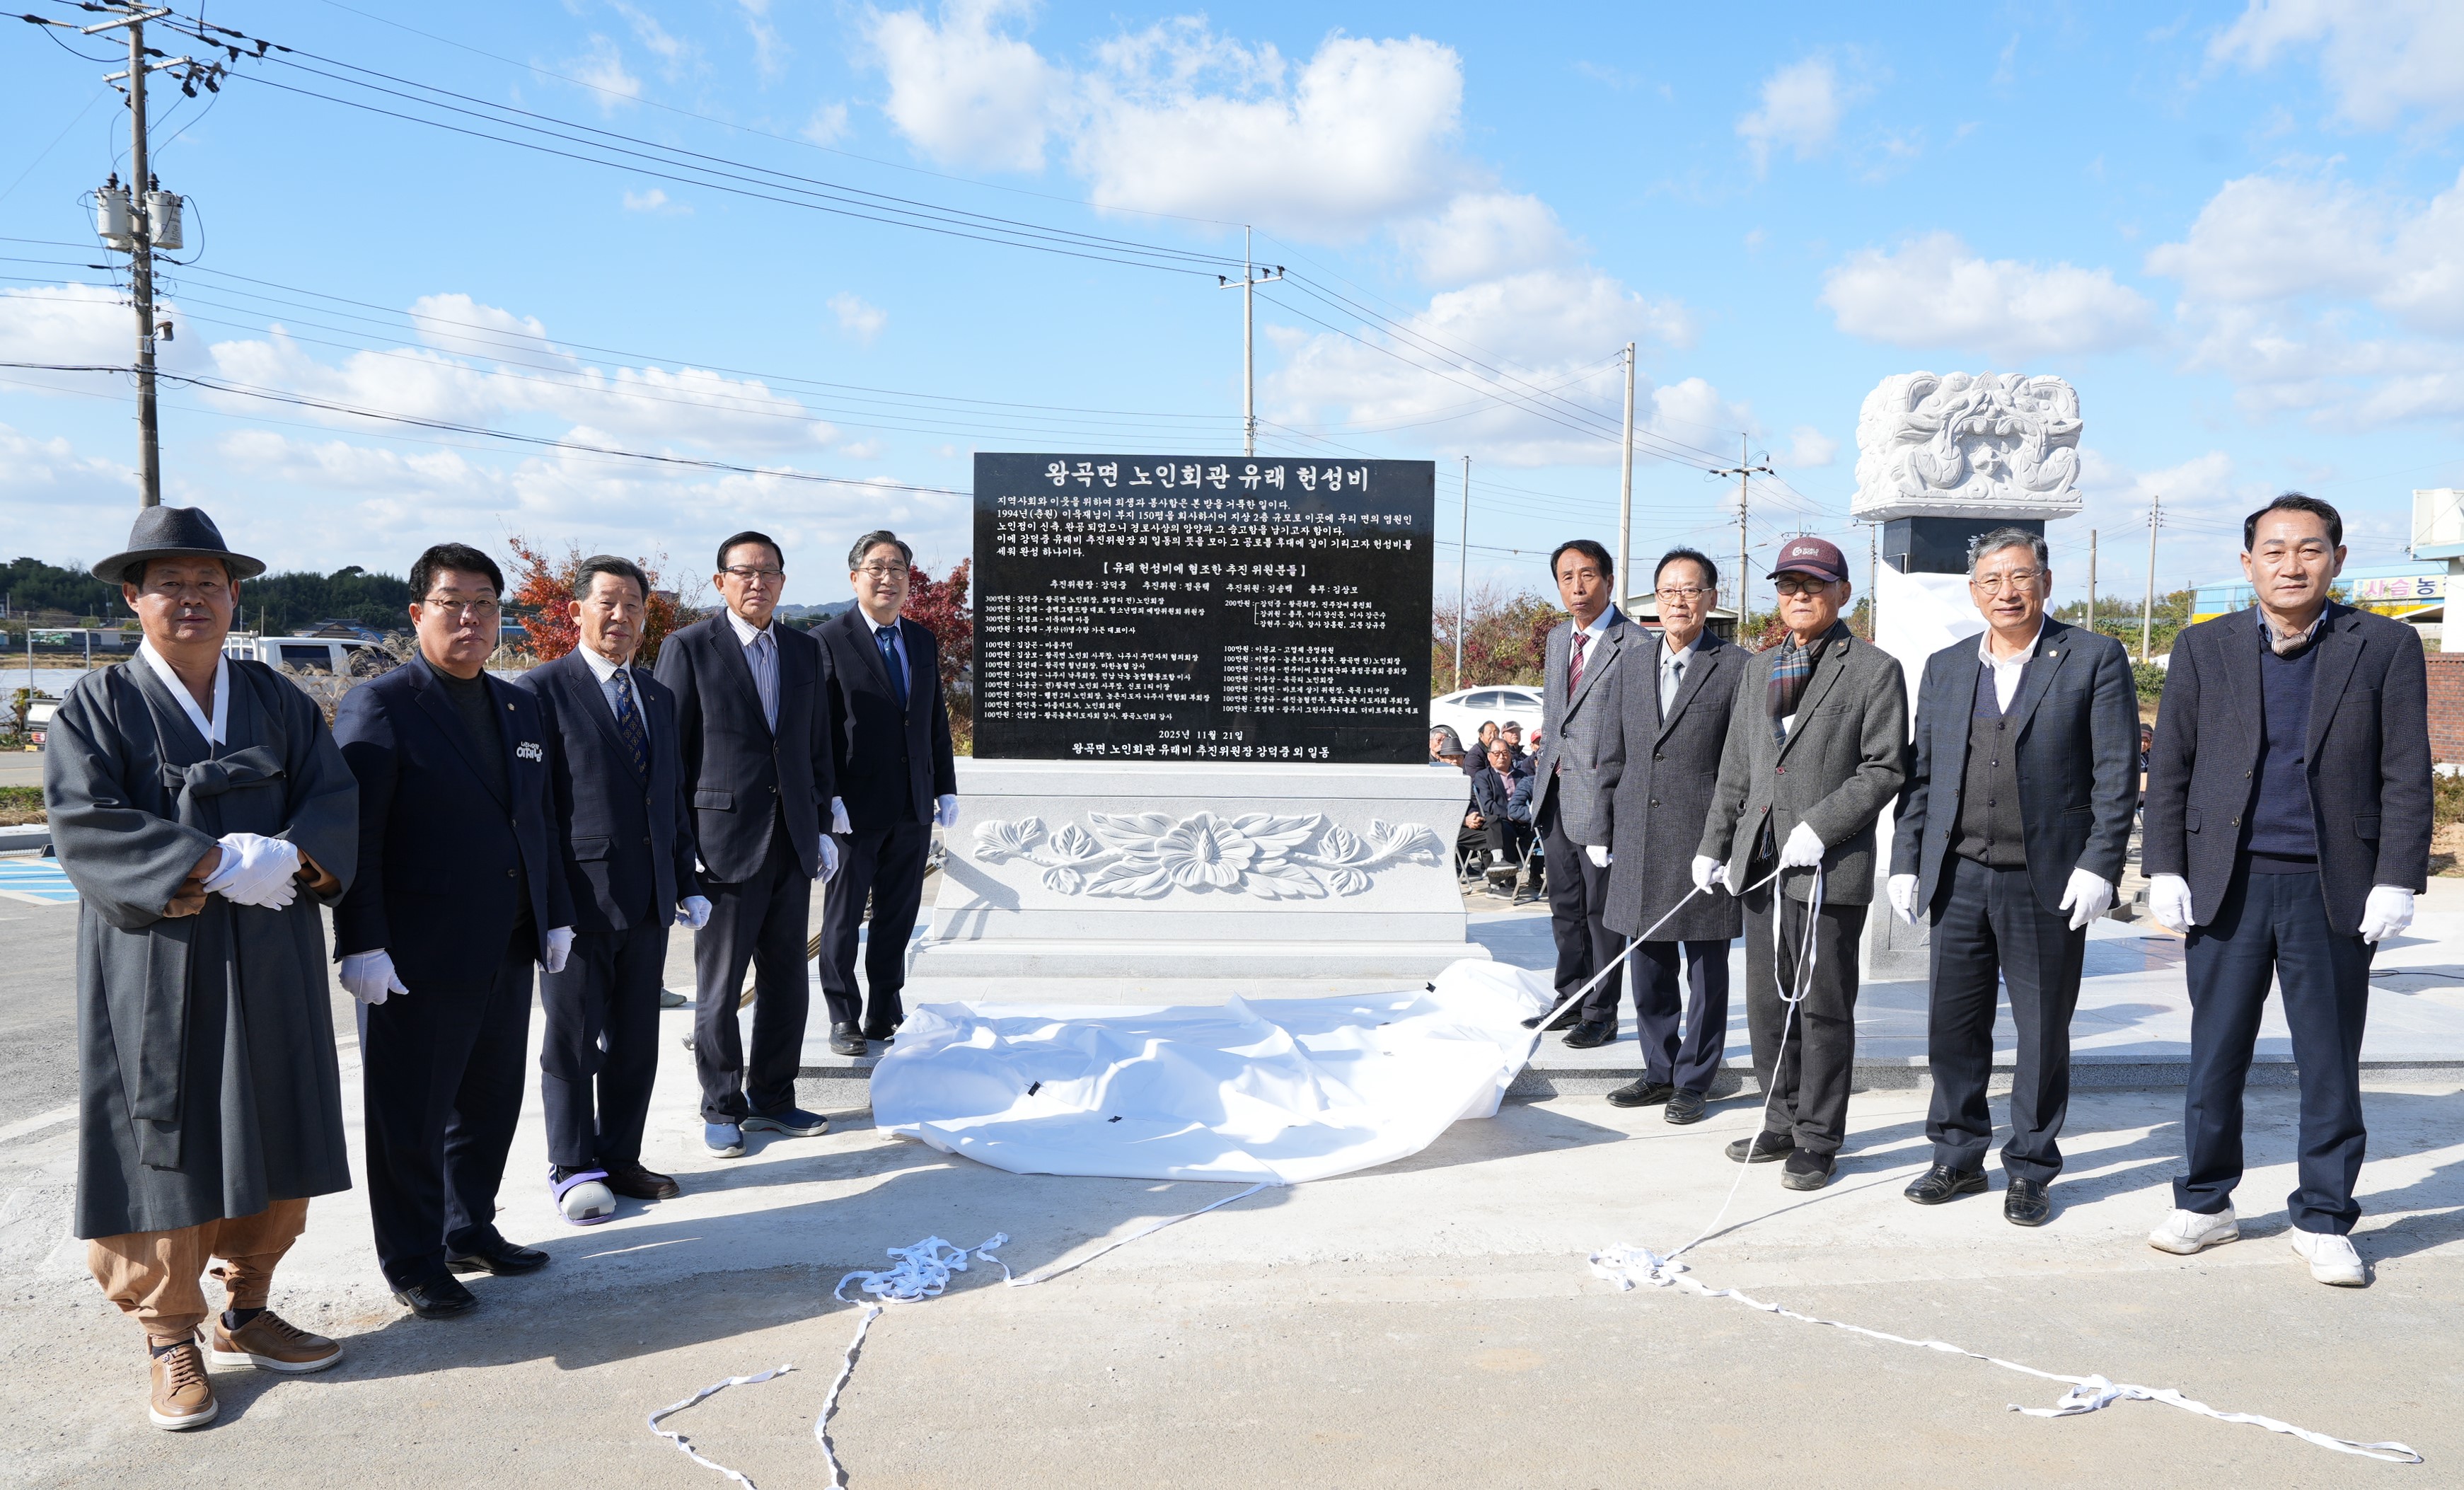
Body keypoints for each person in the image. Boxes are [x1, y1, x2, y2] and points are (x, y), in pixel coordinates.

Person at [49, 507, 357, 1429]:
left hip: (269, 949)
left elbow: (332, 792)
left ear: (234, 596)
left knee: (277, 1112)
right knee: (165, 1132)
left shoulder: (276, 700)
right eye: (170, 583)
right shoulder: (97, 705)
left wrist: (292, 857)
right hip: (159, 960)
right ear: (133, 597)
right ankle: (167, 1333)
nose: (192, 598)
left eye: (209, 583)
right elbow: (85, 820)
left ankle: (248, 1306)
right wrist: (216, 862)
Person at [2141, 494, 2430, 1287]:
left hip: (2332, 887)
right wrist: (2165, 865)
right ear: (2248, 564)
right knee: (2215, 1053)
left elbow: (2406, 769)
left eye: (2309, 549)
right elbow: (2171, 764)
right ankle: (2205, 1201)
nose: (2291, 565)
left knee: (2328, 1060)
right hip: (2225, 885)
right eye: (2273, 551)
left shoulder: (2385, 645)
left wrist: (2396, 877)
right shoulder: (2204, 646)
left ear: (2337, 559)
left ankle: (2325, 1216)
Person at [335, 542, 576, 1320]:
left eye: (484, 604)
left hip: (507, 945)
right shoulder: (382, 705)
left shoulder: (520, 705)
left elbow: (541, 820)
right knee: (411, 1115)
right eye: (452, 603)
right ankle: (413, 1259)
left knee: (488, 1103)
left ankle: (467, 1229)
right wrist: (361, 941)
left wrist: (555, 912)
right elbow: (358, 836)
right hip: (415, 954)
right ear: (418, 614)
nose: (469, 619)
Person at [1886, 529, 2138, 1226]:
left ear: (2045, 583)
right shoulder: (1945, 667)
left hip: (2046, 879)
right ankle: (1957, 1156)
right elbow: (1922, 777)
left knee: (2042, 1030)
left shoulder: (2092, 657)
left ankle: (2030, 1166)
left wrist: (2100, 864)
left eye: (2021, 577)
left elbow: (2116, 774)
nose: (2007, 592)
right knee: (1953, 1027)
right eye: (1992, 580)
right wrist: (1906, 860)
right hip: (1959, 875)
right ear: (1973, 592)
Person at [1695, 536, 1907, 1191]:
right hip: (1760, 862)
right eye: (1788, 585)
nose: (1799, 596)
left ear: (1842, 592)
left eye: (1813, 585)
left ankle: (1818, 1137)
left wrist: (1821, 826)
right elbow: (1737, 767)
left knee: (1822, 1006)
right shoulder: (1759, 669)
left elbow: (1884, 767)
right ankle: (1779, 1118)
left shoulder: (1872, 669)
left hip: (1826, 866)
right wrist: (1713, 844)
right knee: (1767, 1004)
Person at [521, 556, 707, 1224]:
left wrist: (685, 880)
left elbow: (670, 799)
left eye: (633, 605)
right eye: (608, 602)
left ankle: (621, 1155)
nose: (620, 617)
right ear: (577, 610)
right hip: (578, 901)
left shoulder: (656, 696)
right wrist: (547, 907)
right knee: (572, 1041)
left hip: (649, 900)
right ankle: (572, 1165)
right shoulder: (540, 691)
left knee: (635, 1041)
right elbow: (535, 811)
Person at [655, 531, 840, 1157]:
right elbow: (670, 757)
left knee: (787, 980)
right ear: (721, 582)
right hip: (722, 844)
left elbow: (815, 744)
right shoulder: (688, 647)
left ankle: (774, 1098)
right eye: (744, 572)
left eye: (768, 573)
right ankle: (720, 1105)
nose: (757, 582)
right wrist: (682, 844)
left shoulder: (803, 649)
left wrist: (822, 820)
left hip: (792, 839)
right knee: (721, 987)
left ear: (783, 581)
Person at [1588, 549, 1746, 1118]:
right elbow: (1611, 754)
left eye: (1690, 590)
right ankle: (1658, 1070)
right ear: (1655, 599)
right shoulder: (1631, 665)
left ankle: (1693, 1081)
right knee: (1649, 967)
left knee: (1706, 972)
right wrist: (1600, 827)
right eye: (1667, 591)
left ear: (1710, 598)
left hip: (1703, 840)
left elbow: (1743, 763)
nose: (1678, 601)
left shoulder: (1737, 667)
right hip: (1638, 836)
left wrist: (1728, 843)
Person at [816, 531, 959, 1056]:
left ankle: (884, 1008)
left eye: (897, 568)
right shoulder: (826, 639)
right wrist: (829, 797)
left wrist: (944, 787)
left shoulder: (920, 640)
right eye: (876, 568)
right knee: (843, 917)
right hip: (852, 809)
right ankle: (842, 1015)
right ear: (855, 576)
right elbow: (816, 730)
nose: (887, 577)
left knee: (898, 916)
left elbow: (933, 720)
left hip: (912, 804)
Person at [1531, 539, 1639, 1032]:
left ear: (1609, 581)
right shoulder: (1558, 639)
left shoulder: (1636, 644)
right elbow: (1558, 718)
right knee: (1565, 906)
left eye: (1587, 575)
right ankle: (1569, 998)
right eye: (1566, 577)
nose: (1577, 586)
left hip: (1603, 799)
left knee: (1600, 911)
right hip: (1554, 794)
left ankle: (1601, 1011)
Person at [1468, 738, 1535, 889]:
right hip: (1502, 819)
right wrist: (1511, 815)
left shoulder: (1522, 775)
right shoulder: (1483, 776)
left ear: (1510, 755)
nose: (1501, 757)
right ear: (1489, 756)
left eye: (1505, 753)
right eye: (1497, 753)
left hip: (1524, 819)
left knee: (1542, 832)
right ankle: (1510, 878)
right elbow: (1488, 805)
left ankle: (1536, 876)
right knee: (1506, 832)